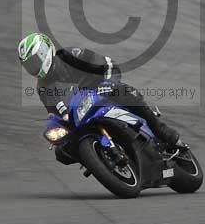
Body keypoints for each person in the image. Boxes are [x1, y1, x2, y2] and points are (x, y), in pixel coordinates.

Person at [17, 32, 181, 147]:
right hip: (81, 110)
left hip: (102, 86)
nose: (34, 67)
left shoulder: (70, 55)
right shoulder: (42, 87)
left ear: (46, 49)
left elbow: (107, 64)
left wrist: (109, 82)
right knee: (62, 151)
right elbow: (54, 113)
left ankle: (161, 130)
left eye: (35, 60)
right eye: (29, 65)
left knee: (127, 94)